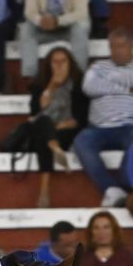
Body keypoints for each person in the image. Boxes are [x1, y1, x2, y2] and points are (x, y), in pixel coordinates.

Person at [72, 27, 133, 207]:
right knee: (81, 141)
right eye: (113, 47)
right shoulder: (98, 66)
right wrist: (129, 89)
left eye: (121, 46)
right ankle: (111, 189)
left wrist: (109, 79)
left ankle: (124, 186)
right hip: (100, 127)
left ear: (132, 46)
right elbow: (89, 87)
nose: (117, 51)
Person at [27, 46, 87, 209]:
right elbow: (36, 112)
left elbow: (80, 120)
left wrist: (59, 125)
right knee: (44, 123)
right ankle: (55, 148)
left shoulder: (79, 86)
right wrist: (52, 86)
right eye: (55, 62)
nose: (59, 66)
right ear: (49, 65)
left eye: (63, 61)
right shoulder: (40, 86)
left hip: (66, 133)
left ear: (70, 64)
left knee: (45, 134)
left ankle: (44, 191)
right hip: (43, 130)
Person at [18, 0, 90, 82]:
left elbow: (81, 13)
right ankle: (30, 77)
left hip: (69, 27)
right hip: (44, 26)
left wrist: (58, 21)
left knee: (81, 27)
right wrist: (40, 20)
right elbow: (29, 12)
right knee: (26, 29)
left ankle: (78, 76)